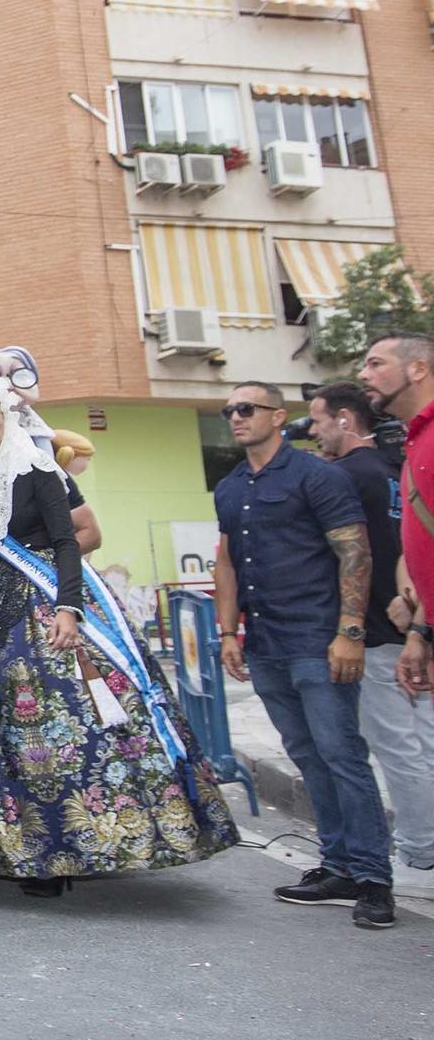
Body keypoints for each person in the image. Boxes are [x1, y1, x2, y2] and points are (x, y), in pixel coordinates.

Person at [0, 374, 235, 899]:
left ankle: (55, 853)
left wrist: (67, 606)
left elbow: (68, 541)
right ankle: (1, 848)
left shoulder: (37, 465)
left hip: (36, 604)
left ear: (6, 414)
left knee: (45, 734)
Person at [214, 380, 389, 927]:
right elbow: (227, 563)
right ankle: (337, 865)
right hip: (265, 643)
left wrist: (351, 631)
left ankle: (373, 878)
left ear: (277, 415)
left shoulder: (319, 475)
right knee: (309, 757)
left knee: (343, 755)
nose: (236, 418)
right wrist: (226, 634)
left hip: (319, 639)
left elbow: (353, 552)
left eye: (247, 408)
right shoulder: (231, 485)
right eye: (229, 411)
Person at [311, 381, 434, 884]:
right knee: (424, 739)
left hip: (378, 631)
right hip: (413, 621)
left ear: (345, 419)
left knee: (395, 747)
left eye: (318, 420)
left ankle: (421, 847)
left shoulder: (339, 477)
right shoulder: (392, 467)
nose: (313, 432)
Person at [360, 332, 434, 701]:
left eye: (376, 364)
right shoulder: (416, 441)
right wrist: (421, 633)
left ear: (418, 369)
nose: (363, 374)